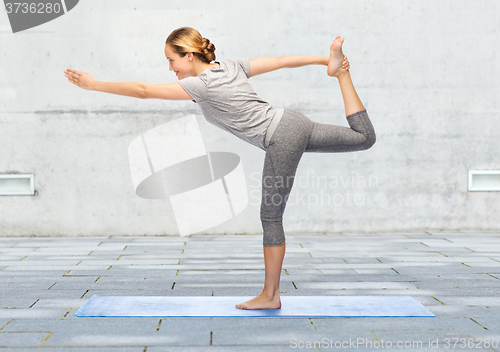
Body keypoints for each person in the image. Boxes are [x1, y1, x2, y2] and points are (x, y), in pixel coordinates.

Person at [64, 27, 376, 310]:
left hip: (281, 136)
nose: (170, 68)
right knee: (363, 138)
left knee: (270, 216)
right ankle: (342, 76)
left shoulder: (200, 85)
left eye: (172, 60)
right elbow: (281, 60)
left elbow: (144, 91)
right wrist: (326, 60)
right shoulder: (230, 66)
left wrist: (94, 84)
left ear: (189, 56)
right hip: (292, 122)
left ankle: (270, 296)